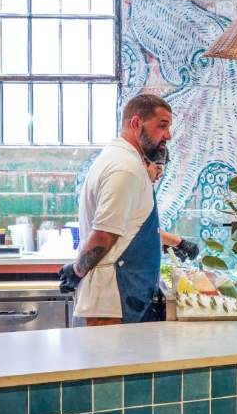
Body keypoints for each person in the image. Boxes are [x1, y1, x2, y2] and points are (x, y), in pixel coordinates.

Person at [59, 93, 176, 326]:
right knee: (109, 363)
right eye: (162, 126)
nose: (168, 136)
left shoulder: (126, 162)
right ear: (136, 123)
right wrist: (77, 270)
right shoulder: (125, 168)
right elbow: (104, 235)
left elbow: (130, 227)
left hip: (121, 298)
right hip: (111, 302)